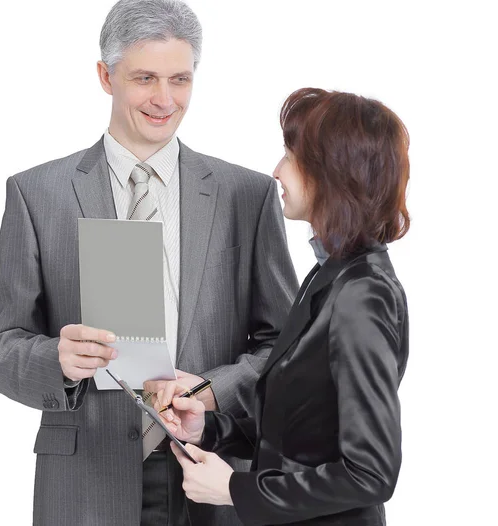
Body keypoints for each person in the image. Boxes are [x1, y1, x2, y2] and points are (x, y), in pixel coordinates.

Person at [0, 0, 298, 525]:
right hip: (86, 482)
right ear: (106, 76)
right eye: (145, 78)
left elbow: (284, 348)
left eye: (180, 79)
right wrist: (55, 360)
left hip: (210, 469)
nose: (165, 99)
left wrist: (210, 391)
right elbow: (0, 347)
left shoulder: (248, 195)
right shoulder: (37, 194)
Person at [156, 87, 410, 526]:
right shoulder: (329, 275)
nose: (276, 171)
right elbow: (301, 432)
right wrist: (208, 429)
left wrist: (235, 489)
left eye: (291, 157)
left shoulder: (363, 293)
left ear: (334, 172)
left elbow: (370, 473)